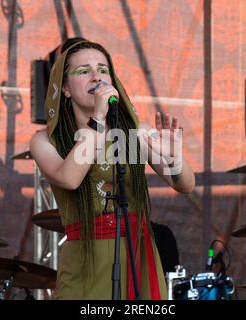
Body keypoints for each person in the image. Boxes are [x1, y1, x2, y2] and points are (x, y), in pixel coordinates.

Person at [30, 39, 195, 300]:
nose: (96, 76)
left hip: (136, 256)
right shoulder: (46, 140)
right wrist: (98, 119)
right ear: (65, 89)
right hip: (86, 262)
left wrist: (175, 158)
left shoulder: (133, 133)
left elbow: (185, 185)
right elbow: (70, 178)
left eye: (103, 70)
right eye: (83, 71)